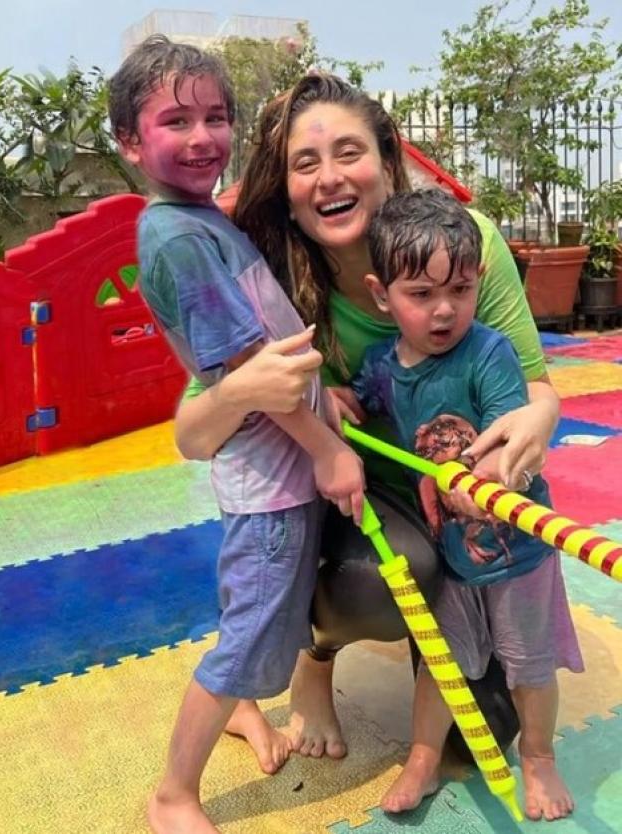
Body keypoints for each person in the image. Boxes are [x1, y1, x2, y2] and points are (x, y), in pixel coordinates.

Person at [174, 74, 561, 766]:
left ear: (388, 160)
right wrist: (251, 390)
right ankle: (315, 659)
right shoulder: (269, 283)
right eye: (305, 163)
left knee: (475, 746)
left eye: (348, 152)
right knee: (384, 577)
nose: (329, 177)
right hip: (350, 498)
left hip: (460, 504)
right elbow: (192, 436)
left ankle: (439, 634)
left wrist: (537, 425)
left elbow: (537, 390)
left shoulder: (463, 246)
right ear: (286, 190)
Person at [108, 38, 366, 834]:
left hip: (281, 456)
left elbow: (269, 340)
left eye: (216, 117)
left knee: (261, 612)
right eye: (175, 121)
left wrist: (326, 402)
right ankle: (173, 795)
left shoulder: (200, 222)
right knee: (253, 627)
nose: (202, 138)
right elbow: (251, 370)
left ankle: (242, 710)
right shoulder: (180, 238)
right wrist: (327, 448)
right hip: (271, 475)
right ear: (129, 142)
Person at [346, 189, 583, 821]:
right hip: (450, 556)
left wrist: (483, 476)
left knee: (529, 668)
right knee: (440, 664)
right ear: (381, 295)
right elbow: (362, 404)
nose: (445, 308)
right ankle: (423, 757)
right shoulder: (381, 367)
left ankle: (539, 757)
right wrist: (340, 403)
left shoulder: (490, 353)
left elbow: (509, 436)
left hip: (518, 556)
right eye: (421, 294)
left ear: (479, 280)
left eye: (461, 289)